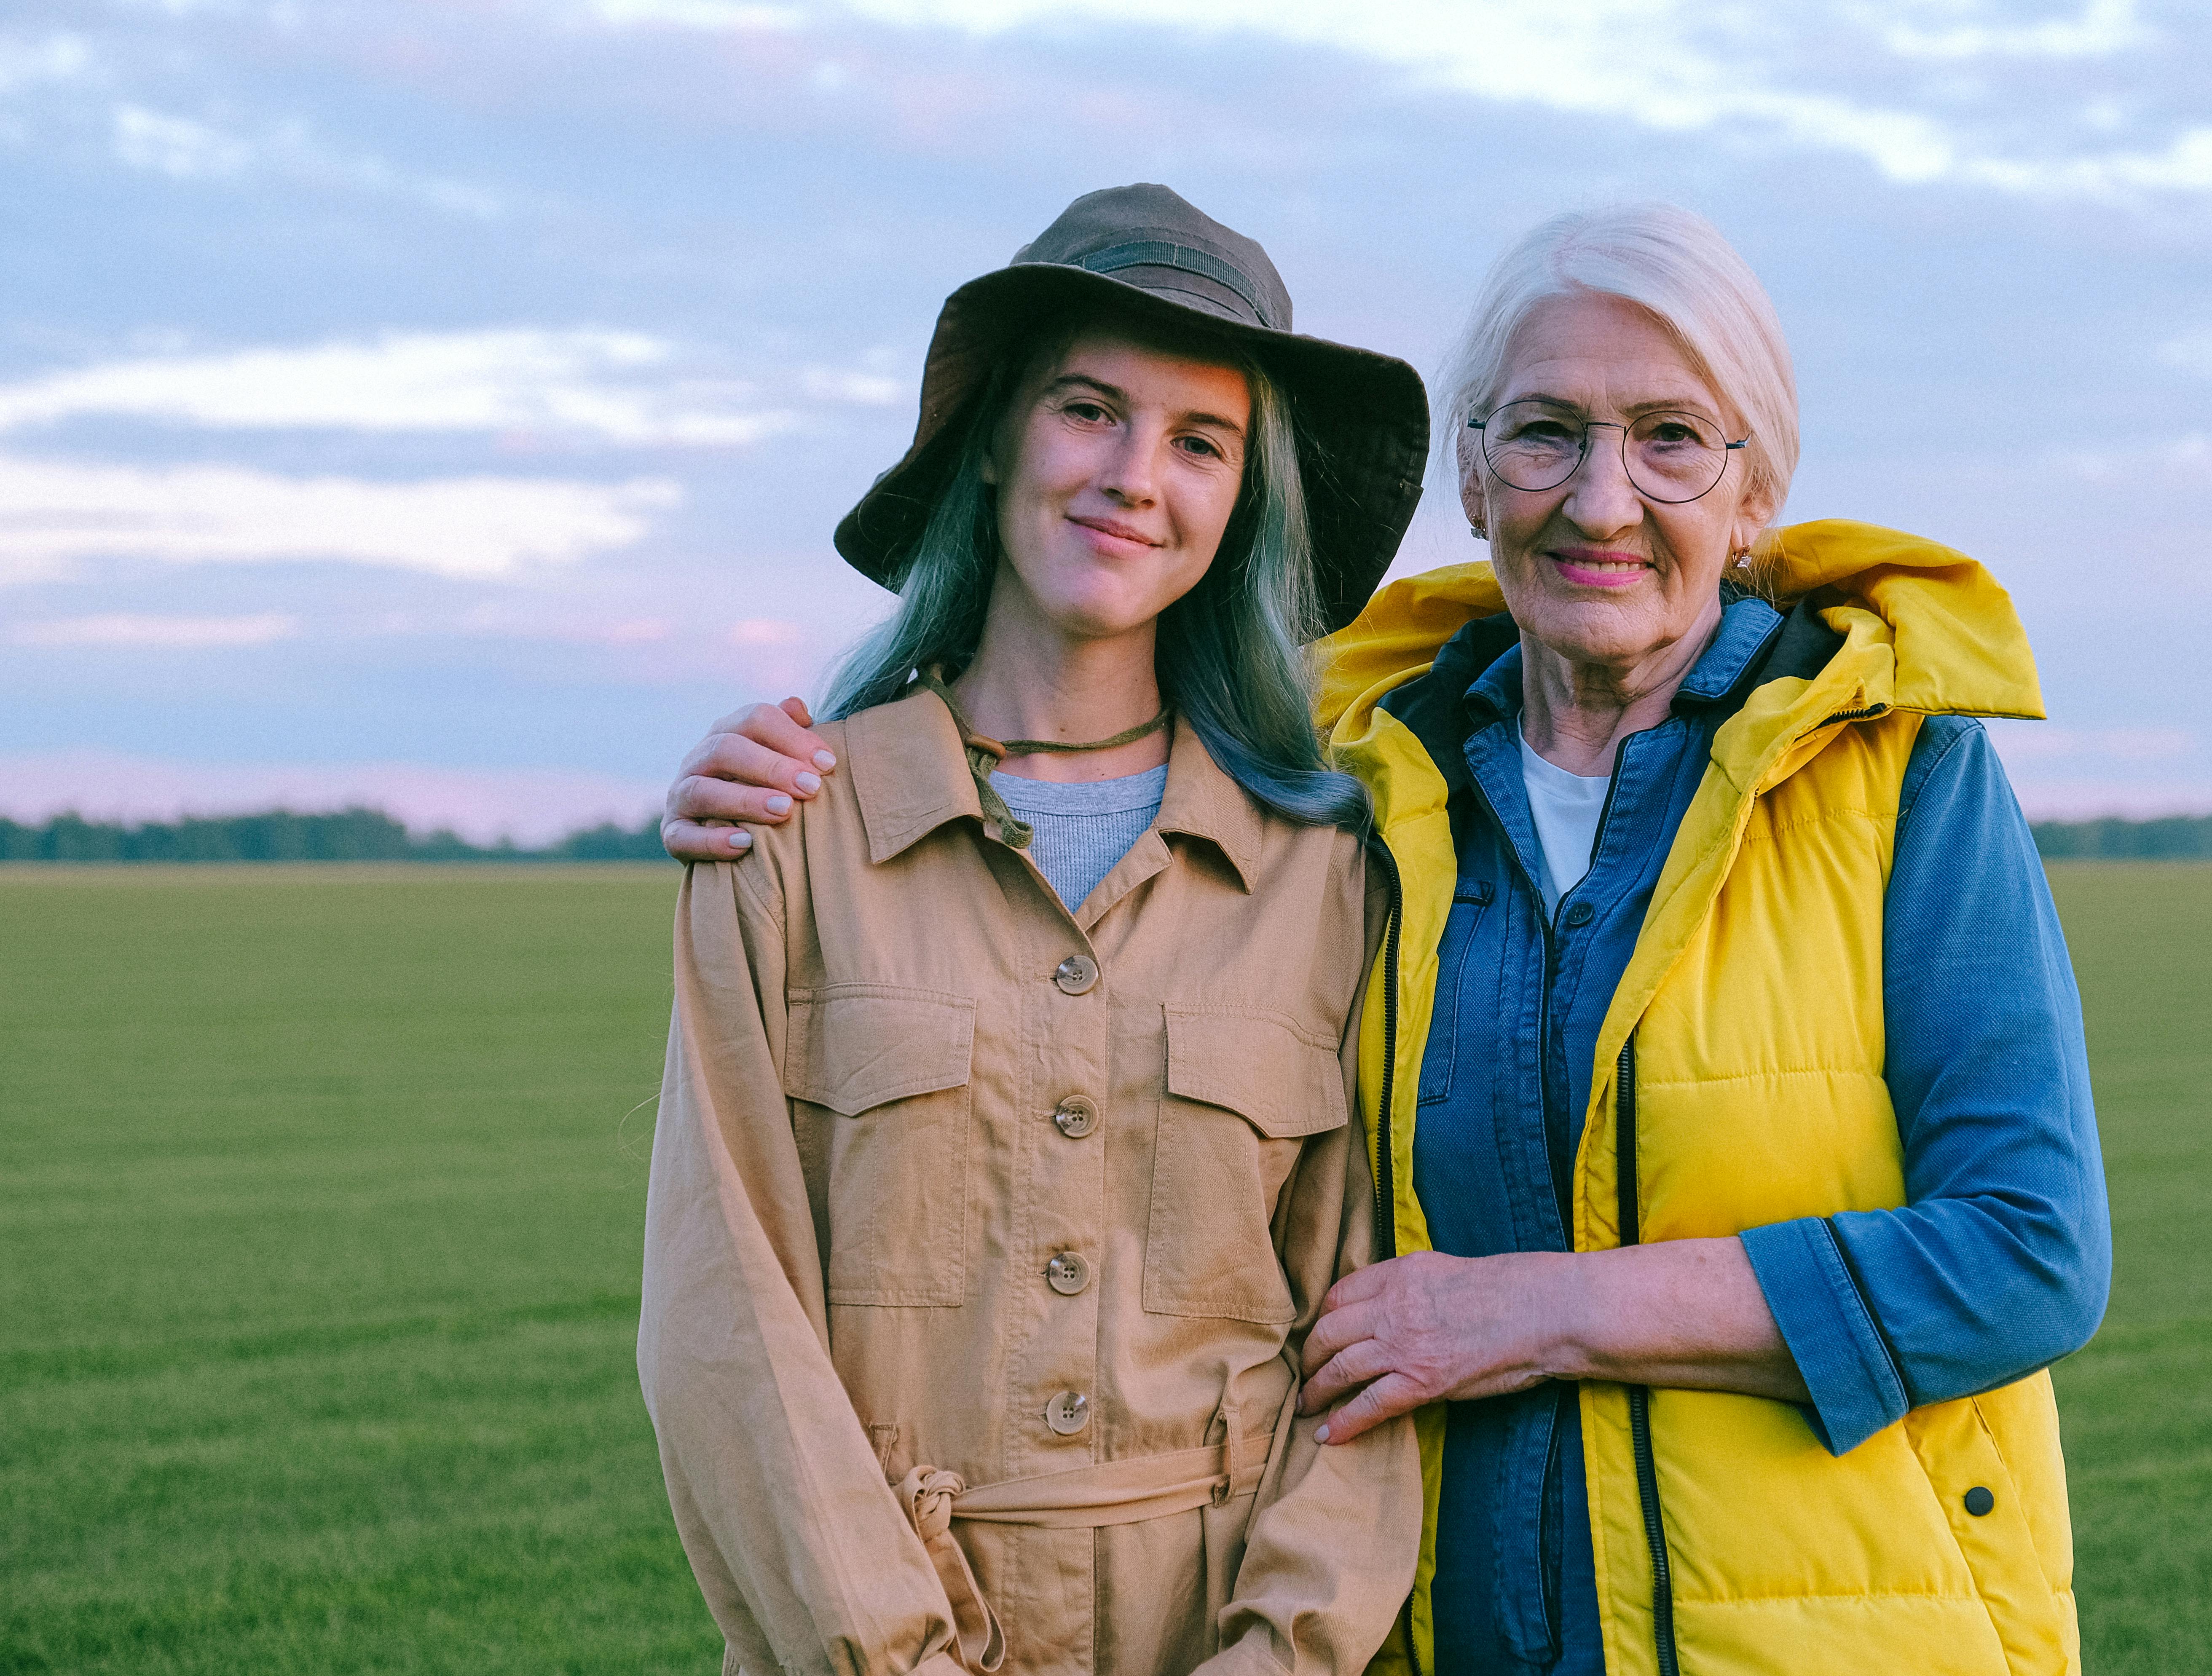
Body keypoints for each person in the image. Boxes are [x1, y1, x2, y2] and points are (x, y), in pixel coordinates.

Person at [665, 203, 2110, 1676]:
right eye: (1545, 433)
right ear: (1475, 480)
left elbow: (2033, 1250)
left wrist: (1534, 1313)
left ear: (1756, 495)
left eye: (1673, 438)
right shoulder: (1377, 800)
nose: (1603, 500)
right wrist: (786, 785)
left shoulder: (1893, 781)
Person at [638, 183, 1429, 1676]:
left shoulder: (1333, 878)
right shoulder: (785, 841)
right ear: (996, 434)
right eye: (1089, 410)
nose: (1138, 476)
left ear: (1246, 502)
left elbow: (1370, 1338)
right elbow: (720, 1321)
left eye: (1202, 442)